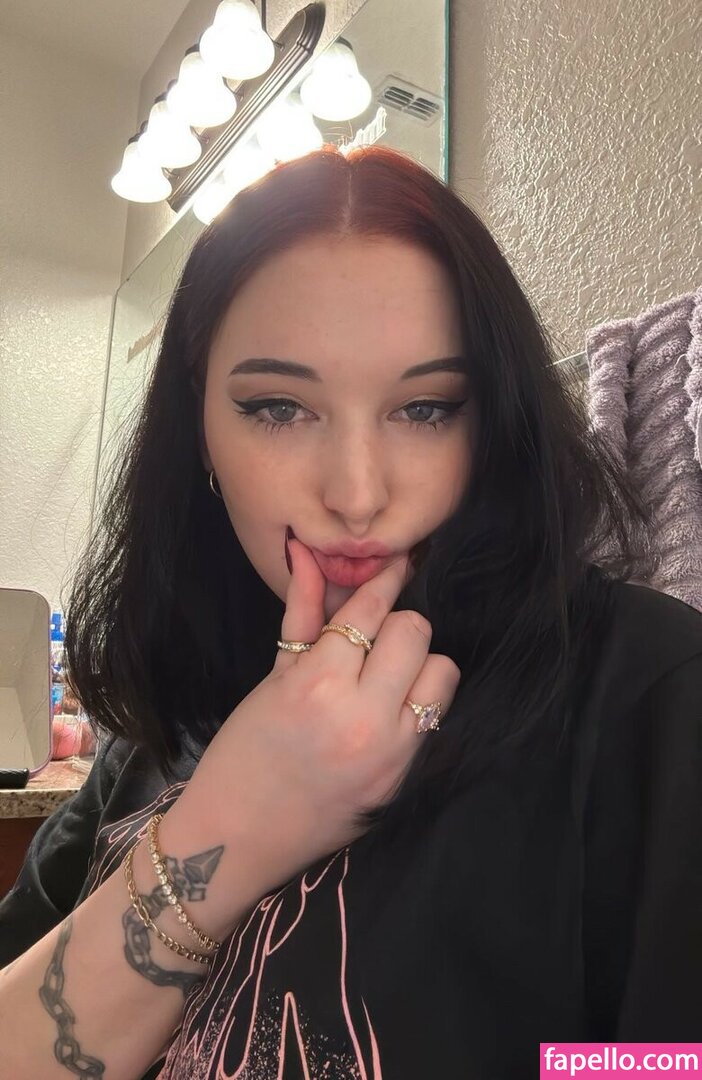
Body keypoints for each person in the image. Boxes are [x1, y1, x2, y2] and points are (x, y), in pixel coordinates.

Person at [0, 144, 700, 1079]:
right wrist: (235, 822)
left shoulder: (649, 690)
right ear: (198, 430)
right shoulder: (155, 728)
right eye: (278, 408)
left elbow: (662, 1062)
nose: (358, 494)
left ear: (495, 420)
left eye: (427, 409)